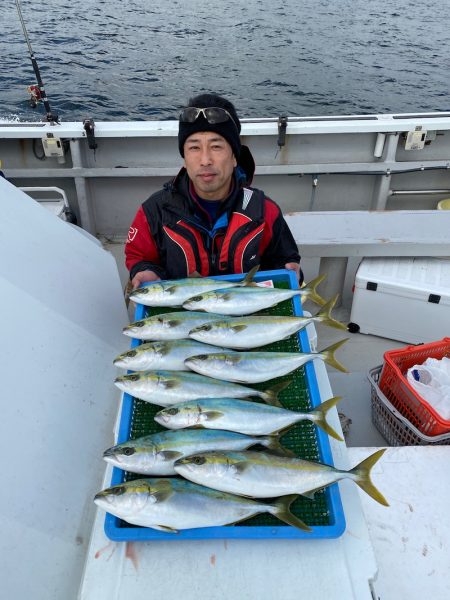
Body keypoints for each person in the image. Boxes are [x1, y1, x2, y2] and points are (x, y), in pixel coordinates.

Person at [125, 93, 302, 288]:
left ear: (234, 157)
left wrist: (292, 271)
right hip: (183, 314)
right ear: (184, 158)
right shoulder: (153, 212)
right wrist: (145, 271)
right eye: (194, 148)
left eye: (216, 146)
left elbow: (284, 259)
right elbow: (139, 257)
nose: (205, 160)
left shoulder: (264, 211)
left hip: (246, 314)